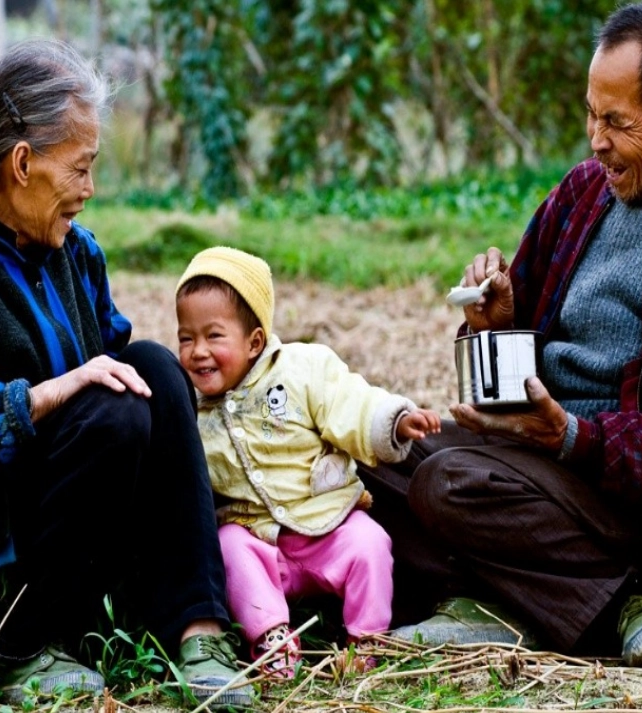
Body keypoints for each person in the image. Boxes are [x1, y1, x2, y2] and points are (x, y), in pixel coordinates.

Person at [0, 38, 252, 708]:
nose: (90, 191)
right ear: (24, 162)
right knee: (115, 406)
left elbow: (121, 382)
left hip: (56, 503)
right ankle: (25, 647)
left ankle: (198, 626)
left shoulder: (77, 253)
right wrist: (43, 397)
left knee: (151, 366)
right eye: (81, 169)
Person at [359, 0, 642, 667]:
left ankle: (631, 593)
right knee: (372, 457)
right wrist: (494, 324)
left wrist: (573, 436)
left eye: (617, 122)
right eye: (591, 114)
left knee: (449, 485)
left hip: (635, 505)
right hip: (536, 463)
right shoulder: (582, 192)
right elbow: (512, 367)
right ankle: (516, 602)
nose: (596, 140)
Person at [174, 246, 442, 677]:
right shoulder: (194, 409)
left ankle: (366, 639)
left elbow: (351, 402)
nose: (197, 351)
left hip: (327, 527)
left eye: (214, 336)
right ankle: (271, 638)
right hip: (258, 540)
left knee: (371, 544)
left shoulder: (302, 369)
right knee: (228, 549)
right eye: (186, 338)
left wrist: (394, 421)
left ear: (254, 341)